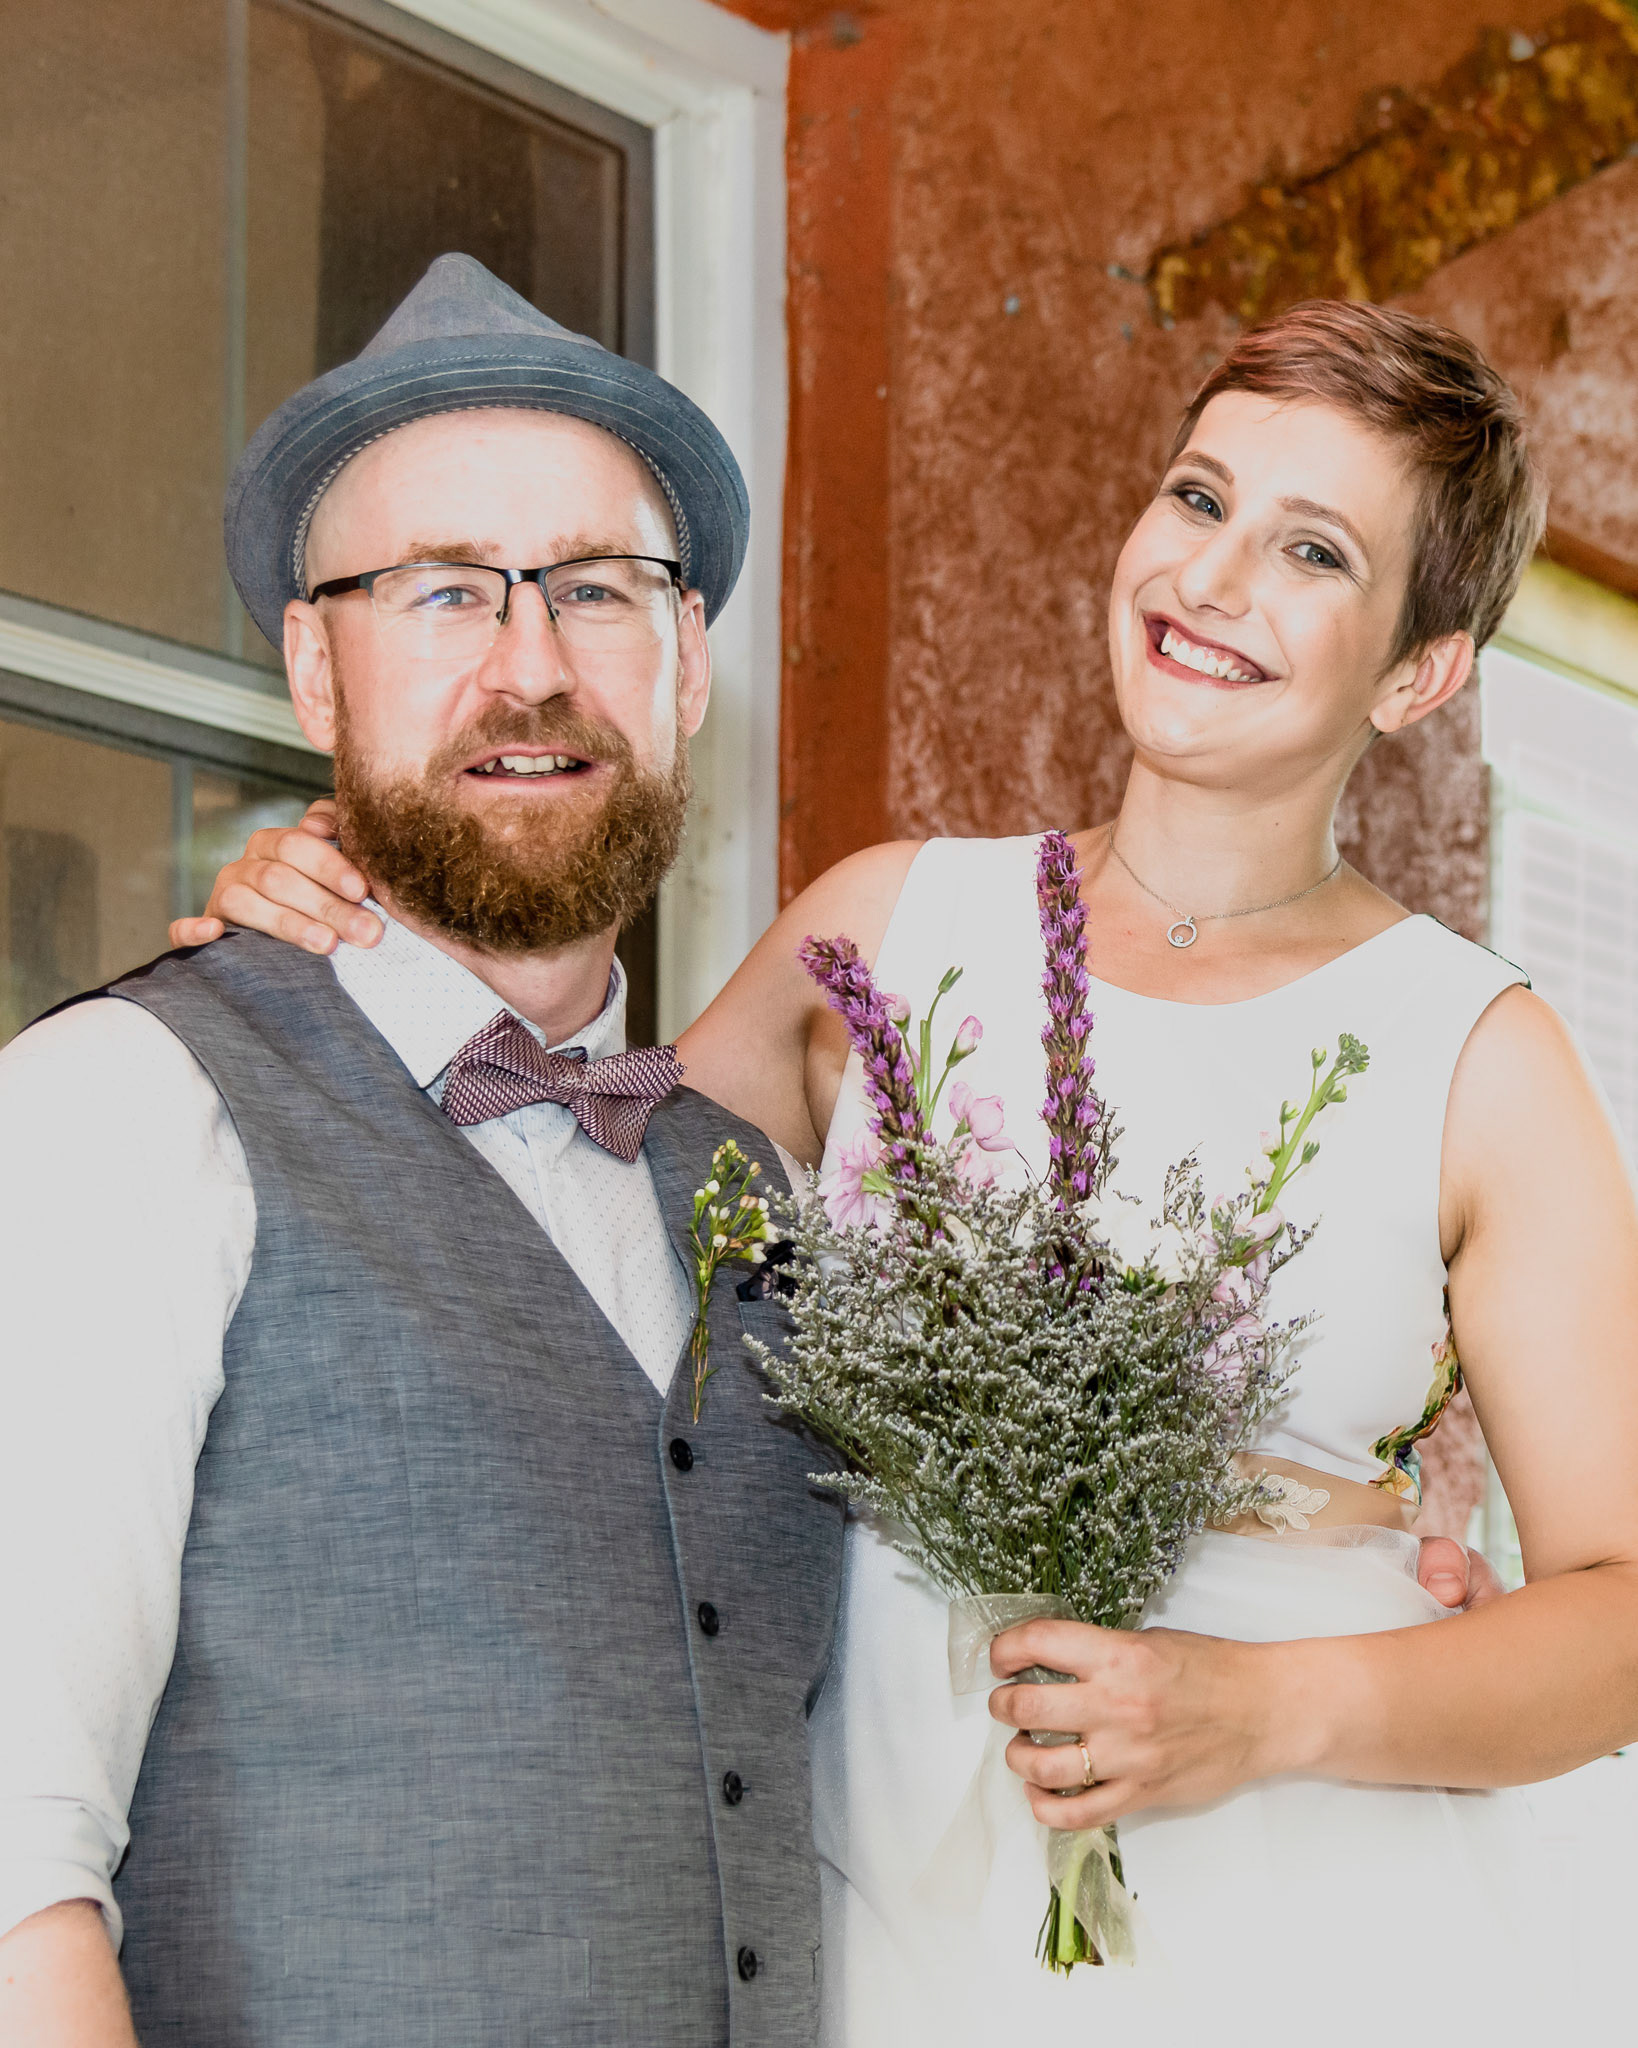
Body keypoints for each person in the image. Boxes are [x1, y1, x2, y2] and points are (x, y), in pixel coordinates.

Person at [183, 298, 1638, 2040]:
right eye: (1196, 498)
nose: (1209, 577)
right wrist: (351, 934)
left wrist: (1262, 1712)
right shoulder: (883, 930)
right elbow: (549, 1203)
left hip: (1292, 1897)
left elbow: (1618, 1617)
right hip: (881, 1871)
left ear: (1418, 673)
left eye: (1311, 550)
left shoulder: (1480, 1054)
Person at [0, 255, 843, 2046]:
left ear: (688, 663)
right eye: (444, 591)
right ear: (318, 668)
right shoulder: (128, 1107)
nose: (530, 669)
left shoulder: (752, 1194)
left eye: (596, 591)